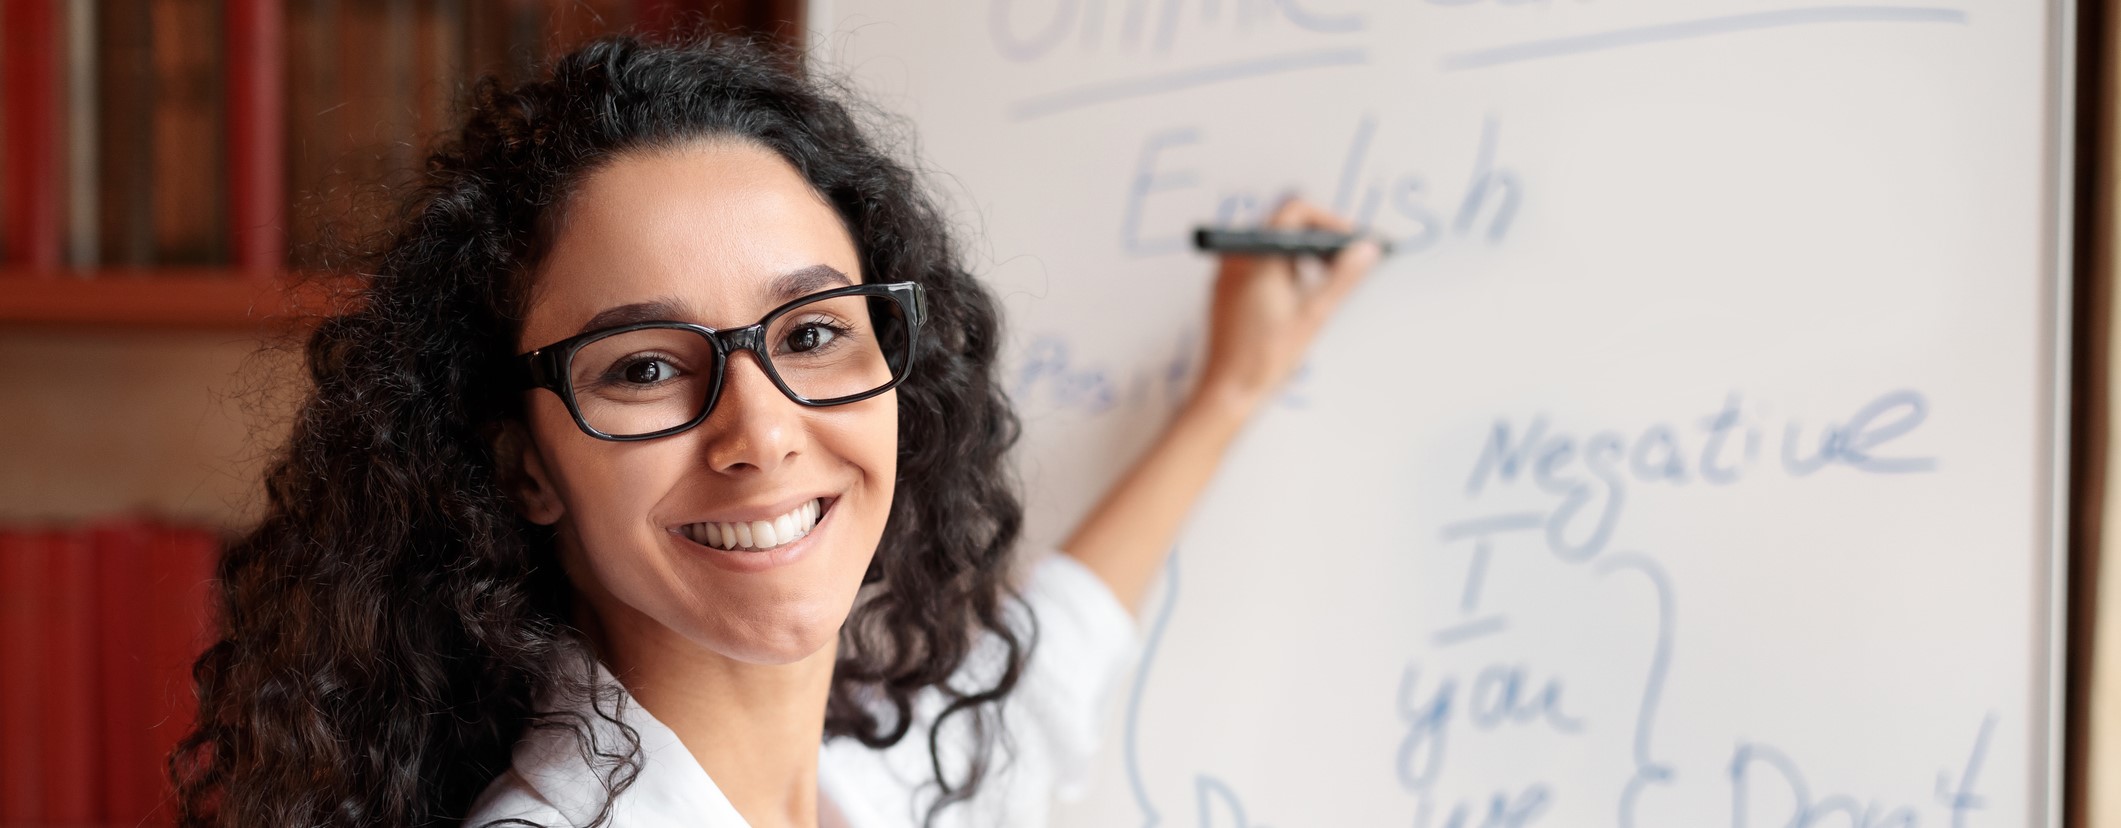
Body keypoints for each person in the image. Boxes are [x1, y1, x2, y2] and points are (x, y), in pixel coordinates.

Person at [171, 33, 1379, 828]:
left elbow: (1046, 669)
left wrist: (1230, 391)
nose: (762, 431)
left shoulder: (886, 777)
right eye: (646, 365)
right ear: (523, 461)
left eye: (810, 335)